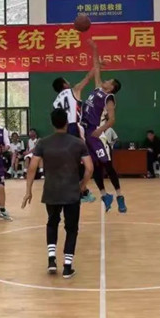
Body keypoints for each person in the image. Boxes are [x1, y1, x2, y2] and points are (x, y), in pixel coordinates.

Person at [22, 108, 93, 278]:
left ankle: (51, 260)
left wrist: (28, 191)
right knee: (71, 228)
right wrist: (82, 185)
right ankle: (67, 267)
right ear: (66, 122)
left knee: (52, 223)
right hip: (71, 192)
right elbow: (89, 168)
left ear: (52, 123)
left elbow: (32, 167)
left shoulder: (43, 143)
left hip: (51, 191)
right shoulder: (78, 143)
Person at [52, 41, 99, 202]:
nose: (69, 82)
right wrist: (97, 65)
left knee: (72, 162)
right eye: (67, 81)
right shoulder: (74, 90)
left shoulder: (55, 102)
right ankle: (82, 191)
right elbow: (88, 77)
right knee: (87, 163)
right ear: (64, 84)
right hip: (74, 128)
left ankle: (76, 190)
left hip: (62, 132)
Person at [80, 48, 125, 213]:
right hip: (86, 132)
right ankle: (105, 195)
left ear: (111, 87)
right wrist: (94, 49)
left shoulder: (109, 98)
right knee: (94, 166)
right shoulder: (98, 88)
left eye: (109, 81)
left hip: (97, 134)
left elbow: (112, 120)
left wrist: (100, 130)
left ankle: (120, 196)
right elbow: (96, 67)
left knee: (107, 164)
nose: (105, 80)